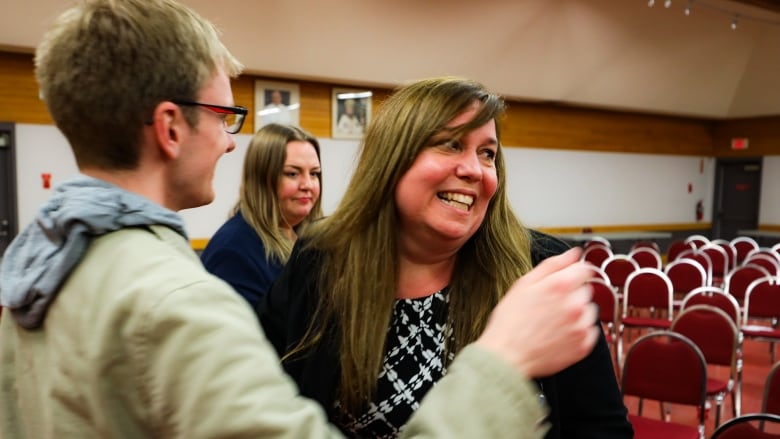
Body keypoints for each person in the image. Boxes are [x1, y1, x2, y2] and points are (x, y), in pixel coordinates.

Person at [0, 1, 602, 438]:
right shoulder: (188, 300)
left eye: (488, 152)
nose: (232, 143)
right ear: (170, 127)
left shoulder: (36, 272)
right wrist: (501, 364)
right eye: (223, 115)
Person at [258, 76, 633, 438]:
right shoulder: (321, 258)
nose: (473, 169)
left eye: (487, 153)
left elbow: (602, 428)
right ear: (391, 160)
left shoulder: (539, 271)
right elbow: (272, 399)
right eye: (450, 144)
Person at [201, 123, 323, 308]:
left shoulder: (309, 239)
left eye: (314, 174)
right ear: (261, 180)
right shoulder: (233, 252)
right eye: (292, 173)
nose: (307, 184)